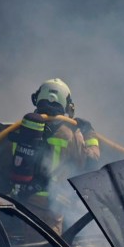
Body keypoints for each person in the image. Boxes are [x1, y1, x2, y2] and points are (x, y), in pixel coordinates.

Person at [7, 78, 100, 231]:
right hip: (52, 205)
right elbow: (90, 161)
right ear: (67, 104)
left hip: (21, 200)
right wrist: (89, 133)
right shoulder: (71, 134)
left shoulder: (22, 128)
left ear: (37, 99)